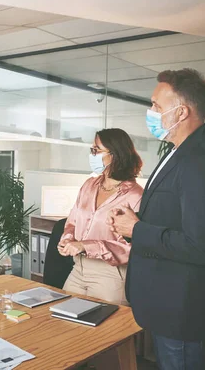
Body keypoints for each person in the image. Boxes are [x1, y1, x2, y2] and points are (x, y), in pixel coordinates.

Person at [109, 69, 205, 370]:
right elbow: (176, 218)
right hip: (166, 303)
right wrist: (134, 222)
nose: (150, 112)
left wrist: (138, 229)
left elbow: (204, 246)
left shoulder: (202, 162)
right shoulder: (178, 152)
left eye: (155, 105)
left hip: (182, 309)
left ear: (181, 111)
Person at [58, 128, 143, 305]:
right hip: (78, 269)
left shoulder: (135, 195)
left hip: (110, 274)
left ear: (115, 154)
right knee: (63, 323)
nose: (92, 155)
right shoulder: (89, 185)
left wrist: (85, 245)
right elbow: (72, 222)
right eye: (92, 150)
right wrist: (67, 240)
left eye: (96, 150)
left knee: (103, 332)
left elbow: (132, 246)